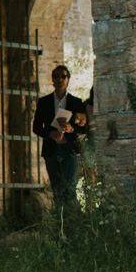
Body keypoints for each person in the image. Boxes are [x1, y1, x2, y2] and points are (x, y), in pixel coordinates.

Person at [32, 65, 89, 209]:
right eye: (56, 76)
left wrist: (71, 128)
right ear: (52, 79)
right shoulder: (44, 102)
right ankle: (60, 226)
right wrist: (51, 134)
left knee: (69, 189)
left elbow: (84, 127)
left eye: (63, 76)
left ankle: (72, 224)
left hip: (70, 150)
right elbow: (36, 127)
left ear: (68, 79)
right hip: (51, 150)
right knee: (57, 190)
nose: (59, 79)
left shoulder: (76, 102)